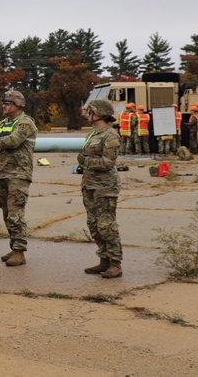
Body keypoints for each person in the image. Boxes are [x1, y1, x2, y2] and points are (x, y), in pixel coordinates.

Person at [0, 90, 37, 267]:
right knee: (6, 212)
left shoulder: (25, 123)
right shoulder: (3, 124)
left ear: (17, 104)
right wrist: (1, 141)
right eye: (4, 102)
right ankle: (14, 246)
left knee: (16, 213)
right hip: (2, 173)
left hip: (19, 174)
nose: (4, 105)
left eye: (7, 103)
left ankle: (20, 251)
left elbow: (13, 141)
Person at [79, 99, 123, 279]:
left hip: (105, 186)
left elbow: (107, 162)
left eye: (91, 111)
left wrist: (85, 161)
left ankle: (115, 263)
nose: (88, 114)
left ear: (100, 114)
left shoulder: (110, 135)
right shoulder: (93, 134)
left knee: (106, 225)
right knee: (94, 225)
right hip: (89, 184)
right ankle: (104, 259)